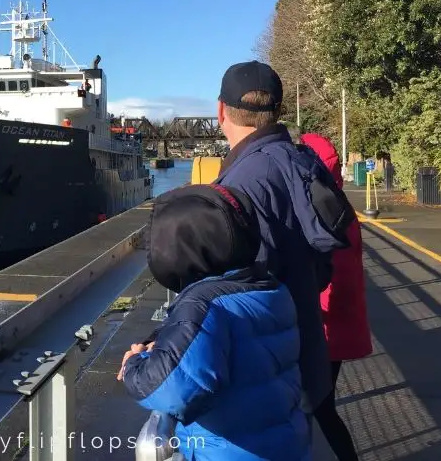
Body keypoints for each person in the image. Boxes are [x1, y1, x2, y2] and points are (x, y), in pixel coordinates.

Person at [119, 183, 310, 460]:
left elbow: (170, 388)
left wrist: (133, 366)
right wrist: (163, 339)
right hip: (287, 443)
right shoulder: (268, 286)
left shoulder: (202, 302)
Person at [210, 61, 349, 427]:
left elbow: (242, 285)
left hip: (266, 375)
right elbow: (322, 263)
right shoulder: (302, 161)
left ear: (221, 110)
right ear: (277, 110)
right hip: (305, 356)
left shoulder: (242, 180)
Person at [300, 132, 372, 460]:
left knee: (315, 404)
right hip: (338, 323)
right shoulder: (337, 203)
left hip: (326, 326)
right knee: (316, 403)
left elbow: (327, 275)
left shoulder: (323, 210)